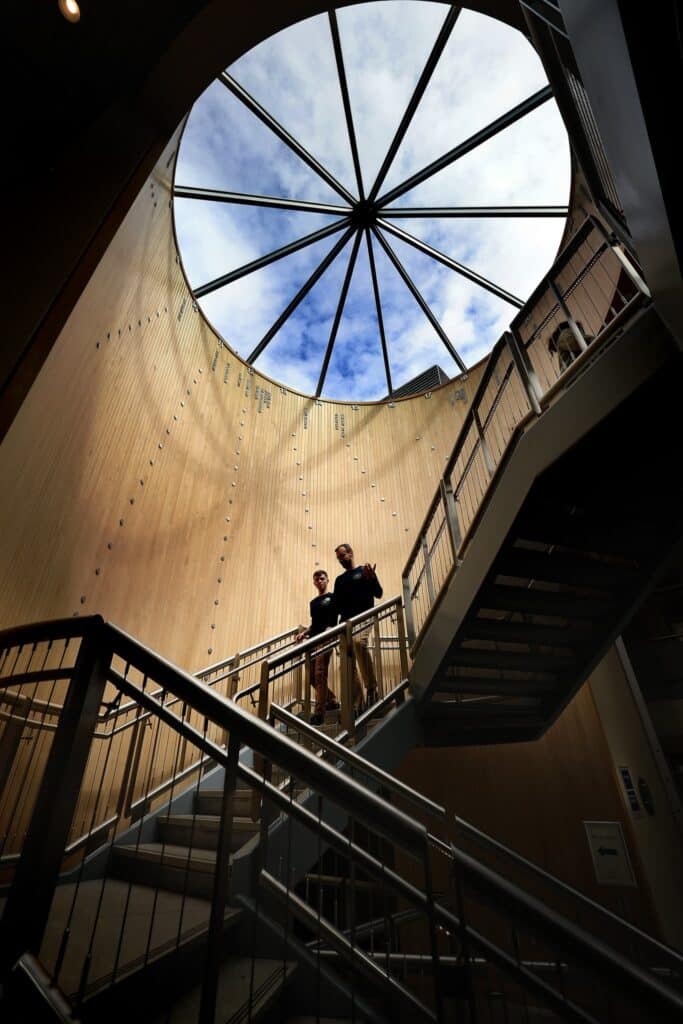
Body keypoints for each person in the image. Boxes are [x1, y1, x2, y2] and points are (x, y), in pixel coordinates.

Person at [333, 543, 383, 709]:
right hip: (345, 624)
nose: (341, 559)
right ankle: (357, 703)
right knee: (346, 665)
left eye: (343, 555)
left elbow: (379, 593)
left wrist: (372, 578)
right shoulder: (339, 580)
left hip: (364, 618)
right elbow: (337, 607)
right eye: (338, 557)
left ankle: (372, 689)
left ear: (351, 553)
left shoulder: (364, 571)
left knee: (358, 643)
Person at [295, 569, 339, 725]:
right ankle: (332, 700)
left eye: (322, 578)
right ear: (314, 583)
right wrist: (304, 633)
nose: (320, 581)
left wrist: (331, 629)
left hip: (326, 639)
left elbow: (336, 618)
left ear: (327, 580)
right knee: (312, 678)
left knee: (320, 674)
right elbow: (314, 625)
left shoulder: (333, 597)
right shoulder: (313, 603)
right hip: (313, 640)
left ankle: (319, 713)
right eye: (317, 579)